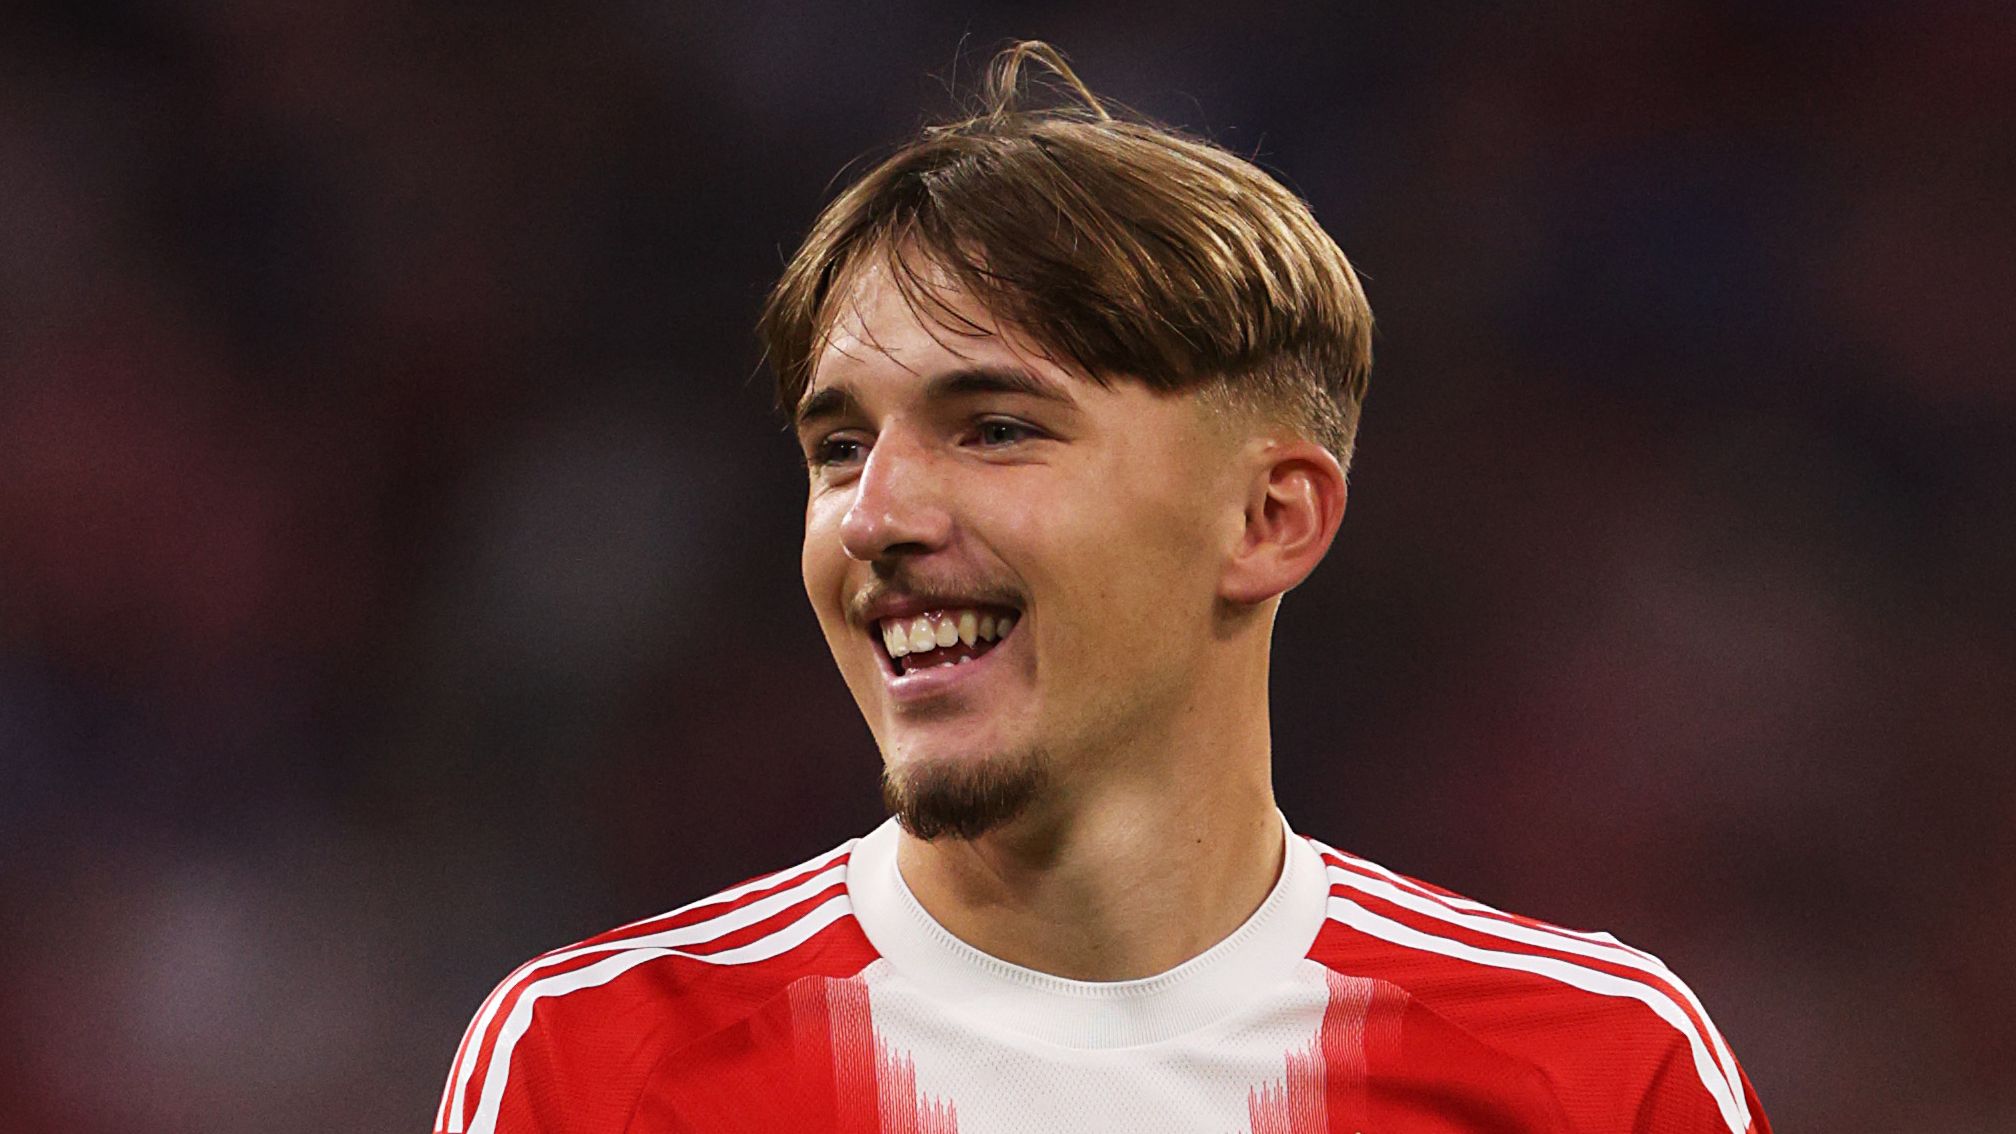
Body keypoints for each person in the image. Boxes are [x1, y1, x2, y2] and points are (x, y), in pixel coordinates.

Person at [433, 41, 1771, 1134]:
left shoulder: (1594, 1071)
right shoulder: (599, 1068)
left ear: (1268, 519)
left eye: (995, 427)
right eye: (838, 447)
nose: (876, 517)